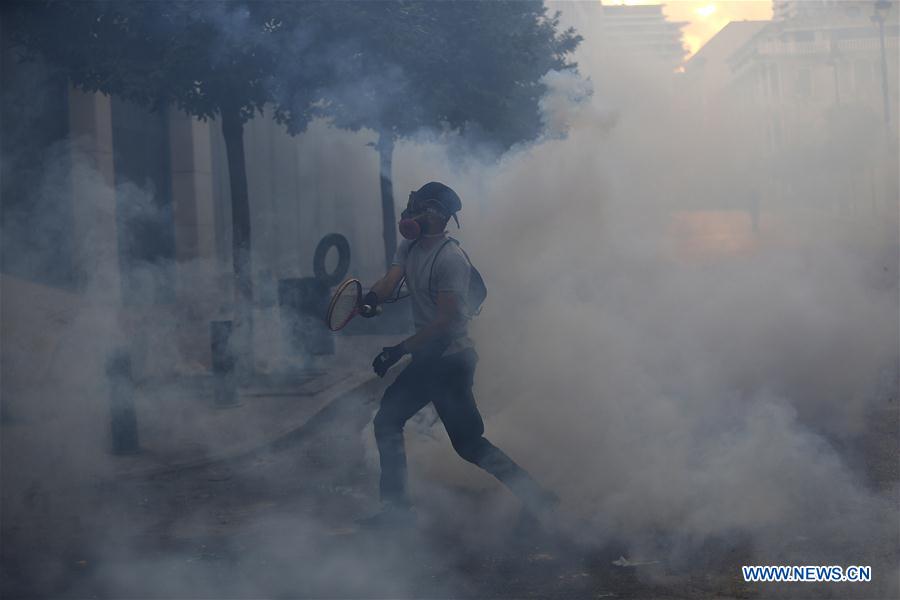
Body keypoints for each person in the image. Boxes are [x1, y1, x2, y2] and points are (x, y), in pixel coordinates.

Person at [358, 181, 556, 528]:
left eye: (417, 206)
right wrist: (373, 297)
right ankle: (397, 511)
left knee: (466, 443)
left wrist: (398, 350)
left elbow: (446, 323)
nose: (409, 213)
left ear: (435, 215)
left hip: (450, 362)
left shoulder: (450, 259)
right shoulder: (410, 247)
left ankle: (538, 499)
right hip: (431, 360)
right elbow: (390, 282)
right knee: (391, 422)